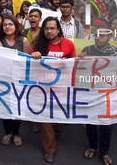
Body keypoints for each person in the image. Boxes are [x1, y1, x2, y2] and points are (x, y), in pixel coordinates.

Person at [79, 21, 117, 165]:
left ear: (109, 37)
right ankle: (92, 146)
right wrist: (80, 59)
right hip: (91, 91)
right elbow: (78, 68)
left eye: (101, 36)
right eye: (96, 35)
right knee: (91, 121)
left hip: (109, 92)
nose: (98, 38)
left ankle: (104, 151)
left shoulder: (115, 51)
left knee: (106, 123)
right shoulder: (88, 49)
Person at [31, 16, 75, 163]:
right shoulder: (39, 44)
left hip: (62, 89)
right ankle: (49, 149)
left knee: (58, 118)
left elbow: (74, 65)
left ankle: (58, 130)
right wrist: (34, 55)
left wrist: (66, 63)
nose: (49, 31)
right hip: (43, 89)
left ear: (58, 30)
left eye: (52, 28)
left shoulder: (68, 44)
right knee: (46, 120)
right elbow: (28, 62)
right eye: (46, 28)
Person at [0, 15, 31, 147]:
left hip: (20, 81)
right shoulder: (0, 43)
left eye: (10, 24)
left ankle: (16, 133)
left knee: (17, 107)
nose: (7, 27)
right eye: (5, 25)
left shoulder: (23, 41)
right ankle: (8, 132)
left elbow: (28, 61)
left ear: (16, 26)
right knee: (6, 108)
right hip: (5, 81)